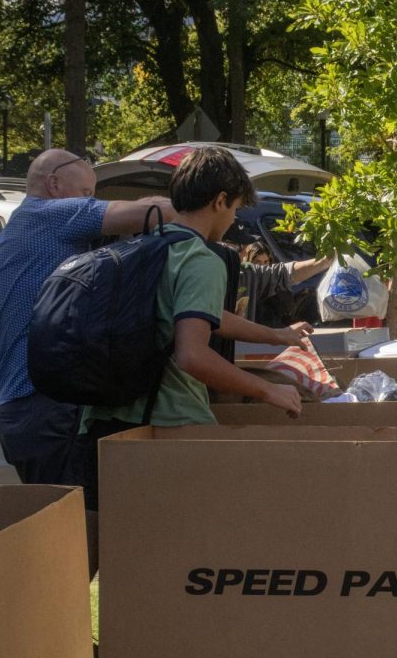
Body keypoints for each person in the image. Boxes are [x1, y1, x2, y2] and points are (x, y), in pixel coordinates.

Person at [79, 147, 311, 573]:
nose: (233, 220)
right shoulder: (202, 258)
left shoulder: (146, 247)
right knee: (196, 555)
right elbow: (191, 354)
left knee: (117, 558)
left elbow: (200, 313)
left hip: (104, 419)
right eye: (236, 208)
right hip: (169, 422)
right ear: (220, 200)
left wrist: (276, 334)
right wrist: (269, 389)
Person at [0, 149, 178, 487]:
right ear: (54, 183)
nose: (91, 202)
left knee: (57, 520)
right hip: (46, 405)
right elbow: (155, 212)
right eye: (87, 194)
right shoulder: (49, 214)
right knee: (80, 524)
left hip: (12, 410)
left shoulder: (7, 242)